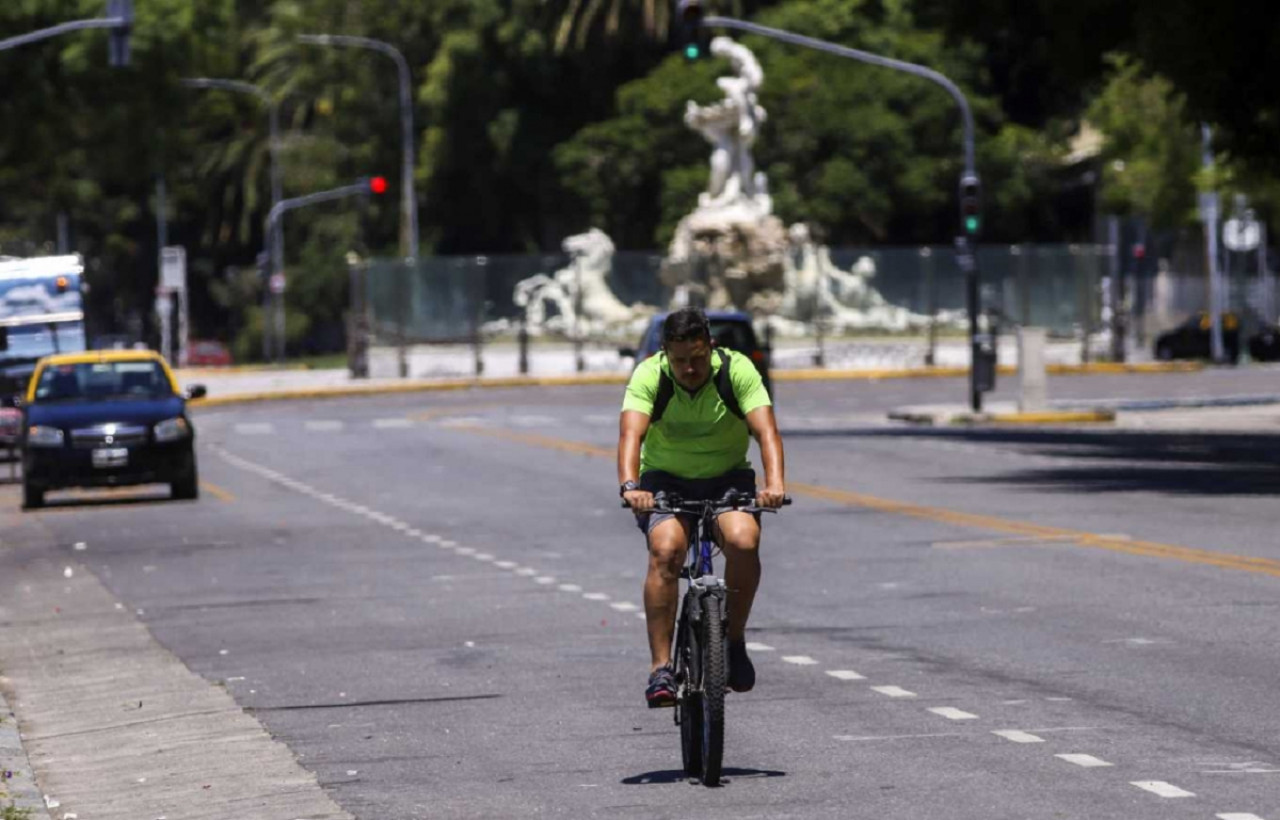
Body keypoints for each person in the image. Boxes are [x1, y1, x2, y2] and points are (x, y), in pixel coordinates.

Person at [617, 307, 786, 708]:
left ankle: (733, 641)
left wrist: (775, 484)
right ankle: (660, 668)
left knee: (744, 541)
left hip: (727, 477)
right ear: (665, 354)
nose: (689, 369)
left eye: (696, 358)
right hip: (664, 479)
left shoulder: (737, 369)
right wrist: (630, 487)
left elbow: (766, 431)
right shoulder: (649, 375)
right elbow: (630, 434)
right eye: (679, 361)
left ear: (710, 346)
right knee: (667, 549)